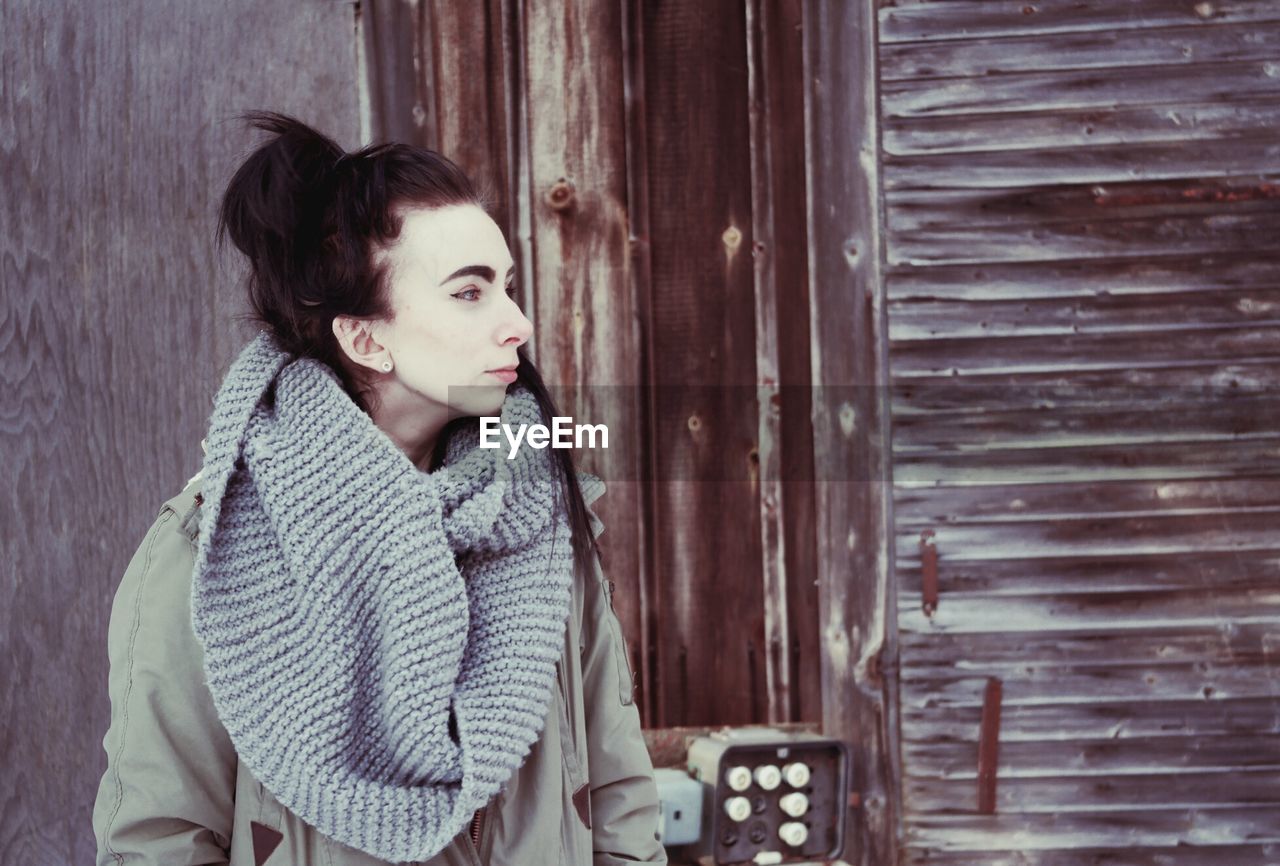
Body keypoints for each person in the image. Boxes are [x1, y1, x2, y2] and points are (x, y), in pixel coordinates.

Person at [91, 110, 667, 866]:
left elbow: (620, 803)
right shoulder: (215, 548)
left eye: (508, 286)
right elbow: (157, 840)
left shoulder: (539, 516)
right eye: (470, 293)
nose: (518, 323)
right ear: (365, 337)